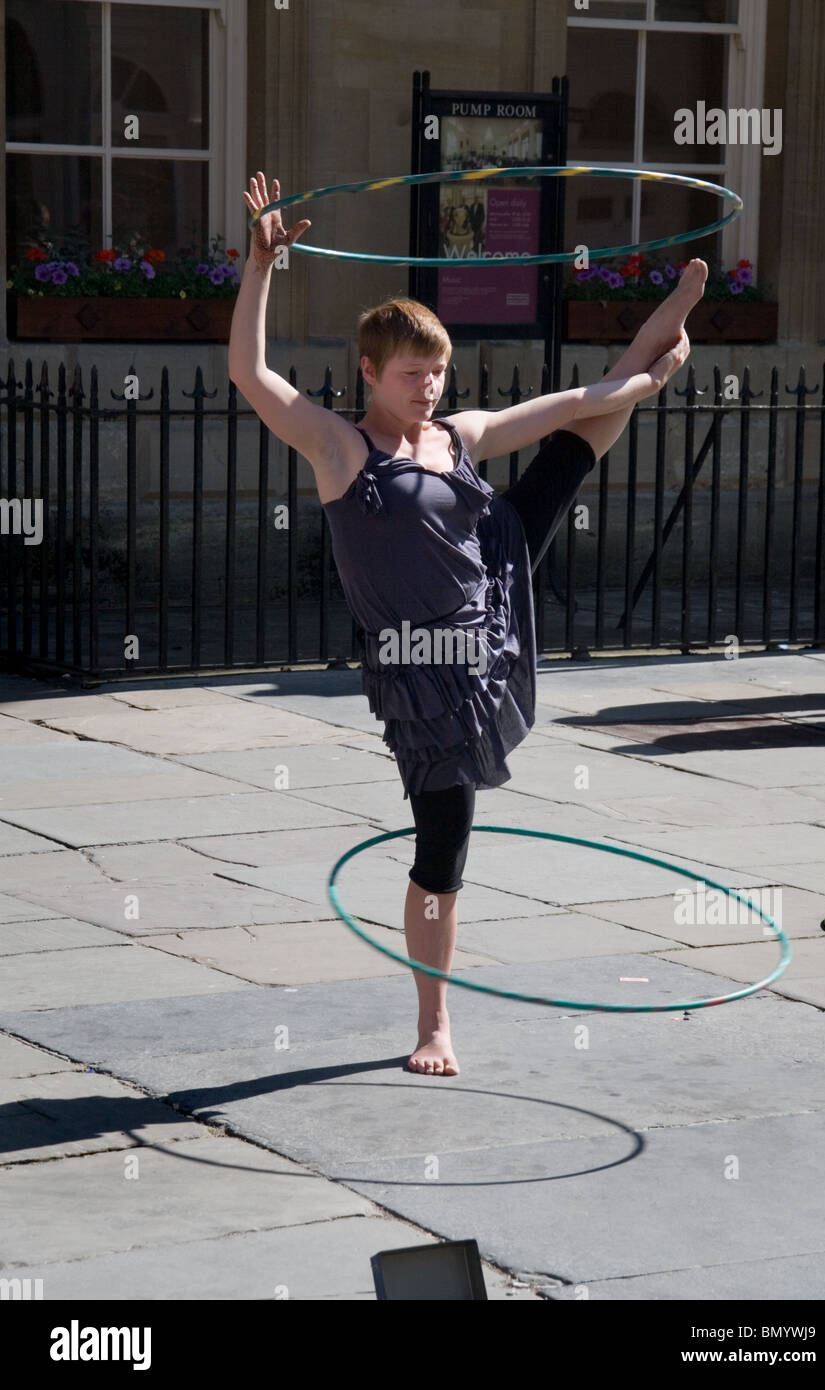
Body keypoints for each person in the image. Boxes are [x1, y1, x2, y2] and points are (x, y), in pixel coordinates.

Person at [230, 172, 706, 1078]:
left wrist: (644, 379)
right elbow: (249, 374)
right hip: (422, 663)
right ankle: (433, 1023)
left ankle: (670, 331)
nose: (429, 387)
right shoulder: (340, 446)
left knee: (590, 420)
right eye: (413, 374)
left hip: (494, 582)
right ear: (368, 370)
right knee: (443, 844)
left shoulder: (457, 435)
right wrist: (262, 264)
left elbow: (567, 402)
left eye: (439, 372)